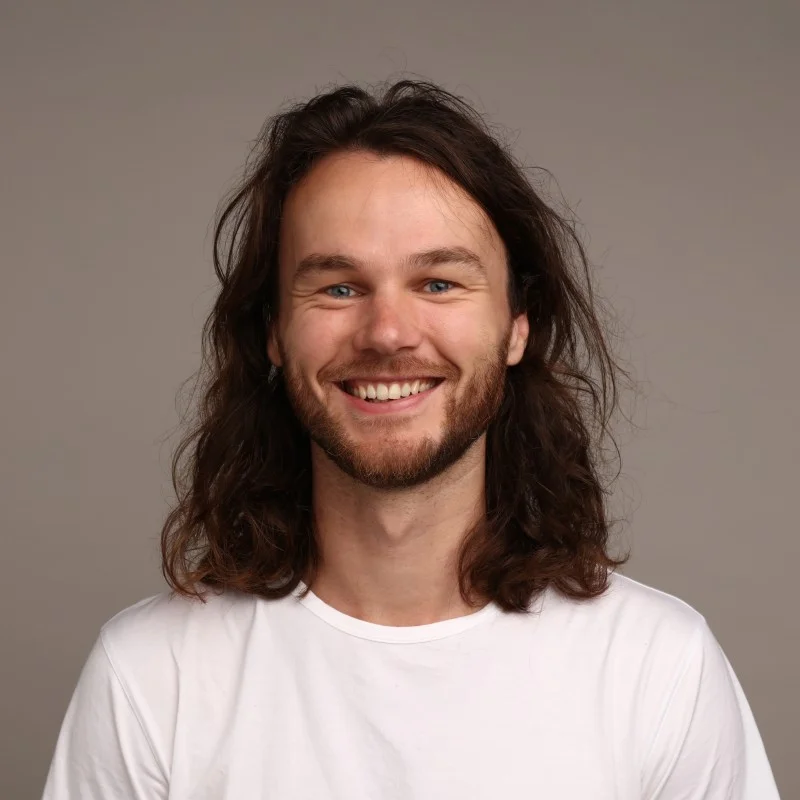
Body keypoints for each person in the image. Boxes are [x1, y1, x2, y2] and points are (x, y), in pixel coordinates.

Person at [42, 79, 780, 799]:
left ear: (517, 325)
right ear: (273, 330)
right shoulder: (152, 677)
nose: (388, 333)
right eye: (338, 287)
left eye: (438, 283)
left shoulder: (658, 669)